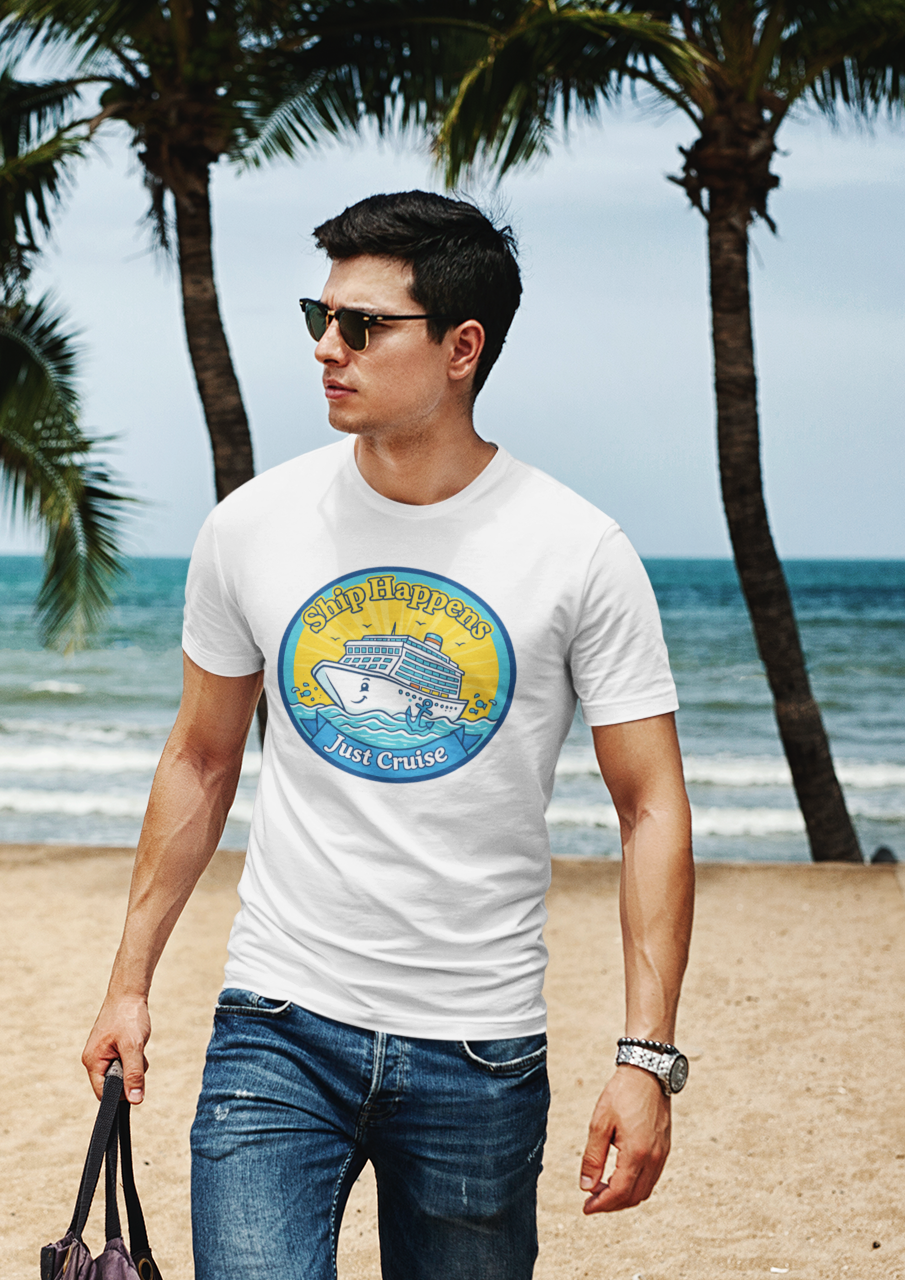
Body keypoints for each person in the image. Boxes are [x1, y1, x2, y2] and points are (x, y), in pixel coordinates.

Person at [82, 190, 694, 1280]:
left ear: (463, 348)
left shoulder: (577, 550)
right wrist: (128, 981)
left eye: (363, 325)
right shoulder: (251, 526)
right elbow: (201, 759)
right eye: (320, 316)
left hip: (480, 1049)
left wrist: (645, 1057)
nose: (328, 347)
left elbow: (649, 804)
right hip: (276, 1025)